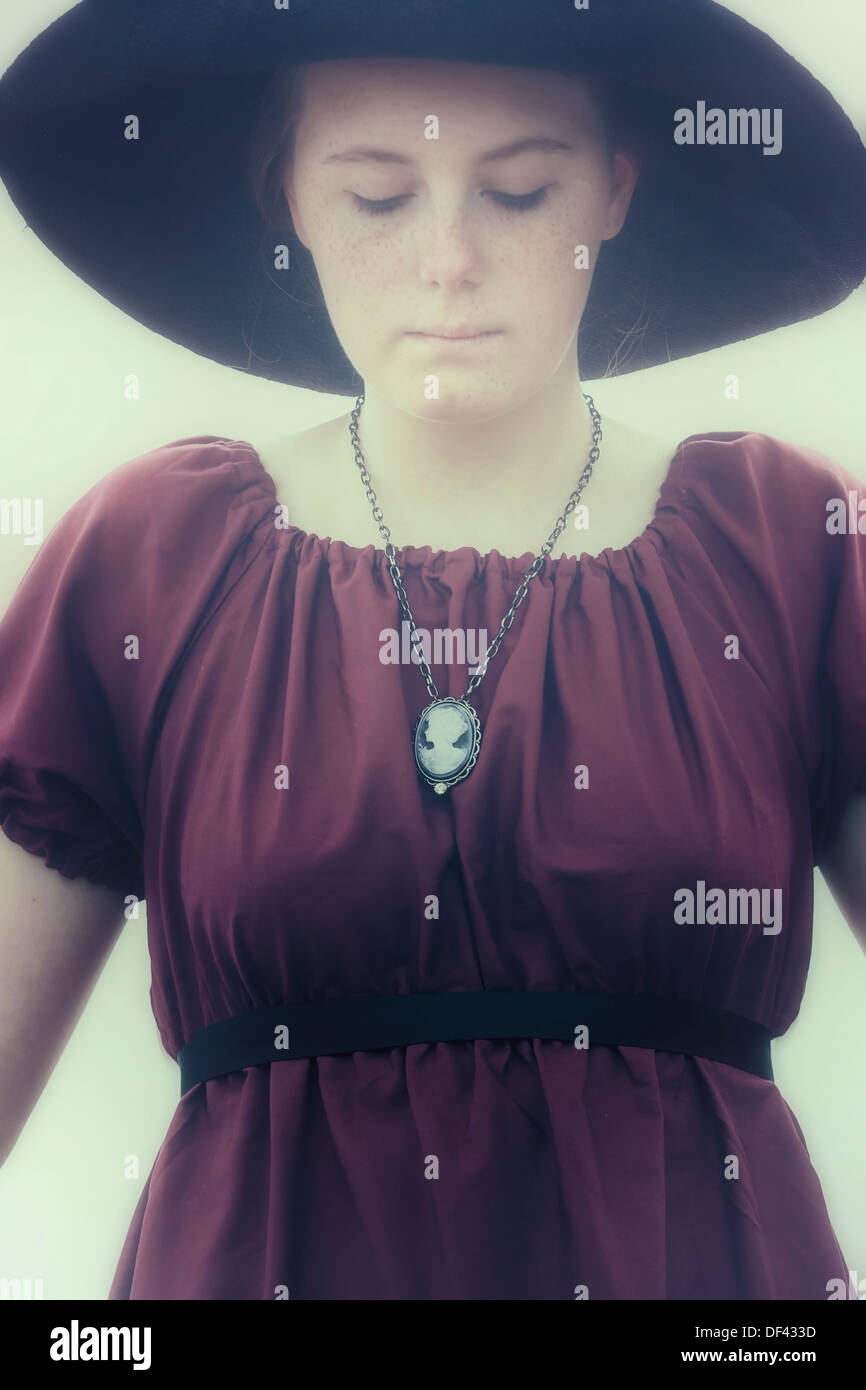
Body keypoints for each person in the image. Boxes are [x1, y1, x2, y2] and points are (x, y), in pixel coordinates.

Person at [0, 0, 864, 1301]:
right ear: (284, 196)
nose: (449, 258)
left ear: (616, 187)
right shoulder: (149, 559)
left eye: (518, 192)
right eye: (376, 196)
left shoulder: (790, 547)